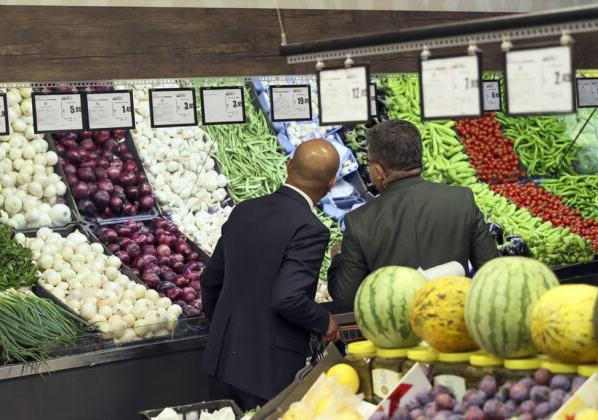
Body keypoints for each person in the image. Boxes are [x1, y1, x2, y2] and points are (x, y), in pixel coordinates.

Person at [201, 139, 343, 411]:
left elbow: (210, 281)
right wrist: (323, 319)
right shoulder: (311, 229)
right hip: (267, 370)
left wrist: (222, 328)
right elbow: (288, 297)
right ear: (332, 184)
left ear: (289, 166)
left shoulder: (244, 210)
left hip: (221, 361)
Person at [327, 120, 500, 312]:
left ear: (378, 170)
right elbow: (491, 271)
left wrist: (338, 258)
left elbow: (345, 299)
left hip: (397, 331)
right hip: (453, 323)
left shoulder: (359, 221)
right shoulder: (461, 199)